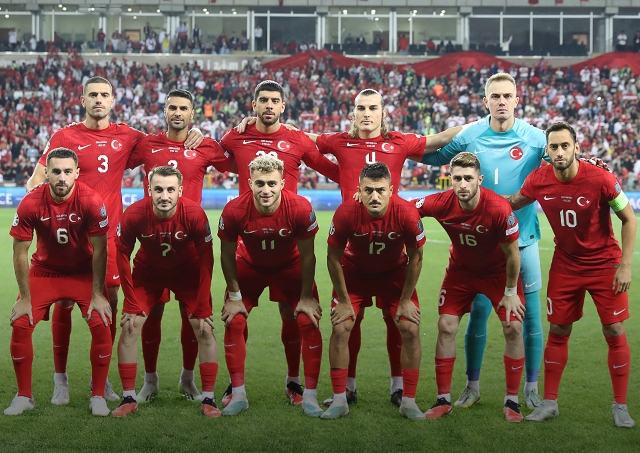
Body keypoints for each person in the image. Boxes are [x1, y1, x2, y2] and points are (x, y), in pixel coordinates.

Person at [238, 87, 460, 406]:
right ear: (353, 113)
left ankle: (398, 386)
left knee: (396, 320)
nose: (367, 113)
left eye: (373, 108)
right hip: (352, 247)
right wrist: (260, 122)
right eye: (361, 108)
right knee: (347, 322)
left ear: (383, 112)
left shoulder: (399, 141)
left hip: (391, 244)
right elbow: (305, 138)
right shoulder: (340, 141)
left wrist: (483, 124)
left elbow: (440, 138)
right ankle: (348, 388)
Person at [26, 76, 203, 406]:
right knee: (63, 303)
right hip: (68, 236)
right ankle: (60, 380)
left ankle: (102, 378)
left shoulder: (129, 137)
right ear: (83, 100)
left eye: (104, 94)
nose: (98, 99)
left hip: (107, 237)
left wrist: (196, 133)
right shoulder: (64, 136)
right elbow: (36, 180)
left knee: (108, 302)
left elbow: (167, 144)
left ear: (112, 100)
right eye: (92, 94)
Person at [421, 72, 546, 410]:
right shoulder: (470, 134)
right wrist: (397, 148)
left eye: (507, 96)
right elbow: (433, 155)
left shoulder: (536, 138)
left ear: (517, 100)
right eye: (495, 96)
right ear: (485, 101)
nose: (501, 101)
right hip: (481, 246)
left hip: (523, 240)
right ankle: (471, 387)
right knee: (477, 313)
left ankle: (531, 388)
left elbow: (564, 165)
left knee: (529, 317)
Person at [505, 122, 636, 428]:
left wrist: (625, 265)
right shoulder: (538, 180)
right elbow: (514, 202)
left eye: (565, 146)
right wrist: (478, 200)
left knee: (614, 330)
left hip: (604, 263)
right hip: (566, 265)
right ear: (547, 151)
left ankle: (620, 406)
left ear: (577, 148)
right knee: (558, 330)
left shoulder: (601, 178)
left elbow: (629, 219)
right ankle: (549, 403)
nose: (560, 152)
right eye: (554, 147)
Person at [219, 80, 338, 407]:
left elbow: (329, 168)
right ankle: (236, 387)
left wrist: (365, 184)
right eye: (263, 100)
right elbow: (211, 157)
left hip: (289, 244)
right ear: (254, 105)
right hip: (250, 245)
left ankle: (294, 382)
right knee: (236, 315)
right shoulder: (235, 136)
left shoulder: (297, 138)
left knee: (294, 313)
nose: (269, 105)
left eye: (275, 101)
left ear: (283, 106)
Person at [126, 89, 233, 403]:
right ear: (164, 111)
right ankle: (150, 381)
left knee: (194, 318)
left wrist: (242, 128)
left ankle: (188, 379)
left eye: (183, 108)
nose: (177, 112)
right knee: (152, 316)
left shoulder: (204, 145)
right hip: (152, 247)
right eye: (172, 107)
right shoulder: (148, 144)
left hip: (189, 251)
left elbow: (239, 161)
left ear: (192, 114)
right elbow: (116, 160)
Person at [414, 152, 526, 422]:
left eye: (468, 178)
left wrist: (511, 292)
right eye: (457, 179)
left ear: (480, 179)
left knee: (513, 327)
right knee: (446, 326)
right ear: (450, 179)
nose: (462, 184)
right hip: (461, 272)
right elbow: (406, 208)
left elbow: (513, 254)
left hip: (498, 274)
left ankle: (512, 402)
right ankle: (443, 400)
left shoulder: (499, 208)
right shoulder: (441, 202)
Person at [5, 148, 112, 417]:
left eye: (67, 171)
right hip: (45, 271)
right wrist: (25, 298)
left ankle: (98, 396)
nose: (62, 177)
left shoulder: (90, 200)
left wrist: (98, 293)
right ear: (47, 173)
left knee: (101, 321)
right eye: (56, 172)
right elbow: (20, 251)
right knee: (21, 322)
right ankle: (24, 396)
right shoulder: (31, 202)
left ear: (77, 173)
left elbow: (101, 249)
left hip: (82, 272)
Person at [217, 155, 323, 417]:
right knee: (235, 320)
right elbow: (227, 255)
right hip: (249, 265)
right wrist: (234, 296)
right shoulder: (234, 210)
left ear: (282, 183)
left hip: (290, 265)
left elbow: (308, 255)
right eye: (260, 183)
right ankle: (238, 393)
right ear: (250, 183)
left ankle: (302, 390)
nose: (266, 190)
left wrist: (306, 296)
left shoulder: (300, 207)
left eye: (272, 184)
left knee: (306, 319)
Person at [112, 165, 220, 418]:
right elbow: (122, 254)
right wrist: (130, 300)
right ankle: (130, 396)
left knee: (203, 327)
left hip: (188, 272)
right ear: (149, 189)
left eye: (170, 190)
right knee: (130, 325)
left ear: (180, 191)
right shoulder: (135, 214)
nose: (164, 195)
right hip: (148, 273)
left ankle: (208, 397)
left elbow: (207, 259)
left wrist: (203, 305)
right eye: (158, 189)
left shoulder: (194, 214)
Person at [321, 162, 425, 420]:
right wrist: (343, 300)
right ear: (359, 190)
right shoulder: (346, 212)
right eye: (368, 190)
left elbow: (416, 257)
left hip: (394, 275)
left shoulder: (407, 213)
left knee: (410, 328)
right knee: (341, 326)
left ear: (392, 190)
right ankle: (340, 398)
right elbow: (332, 257)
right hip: (355, 274)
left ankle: (408, 400)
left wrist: (405, 300)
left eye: (380, 190)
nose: (375, 196)